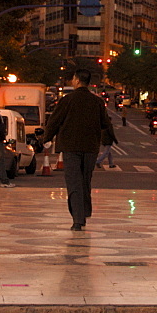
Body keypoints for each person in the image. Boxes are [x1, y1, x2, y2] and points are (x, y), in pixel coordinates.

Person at [42, 69, 111, 231]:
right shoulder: (97, 102)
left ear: (78, 80)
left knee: (74, 182)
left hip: (70, 147)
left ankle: (78, 219)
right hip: (90, 147)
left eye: (73, 78)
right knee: (85, 180)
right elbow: (105, 124)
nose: (72, 81)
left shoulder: (67, 100)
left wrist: (46, 138)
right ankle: (84, 212)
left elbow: (54, 121)